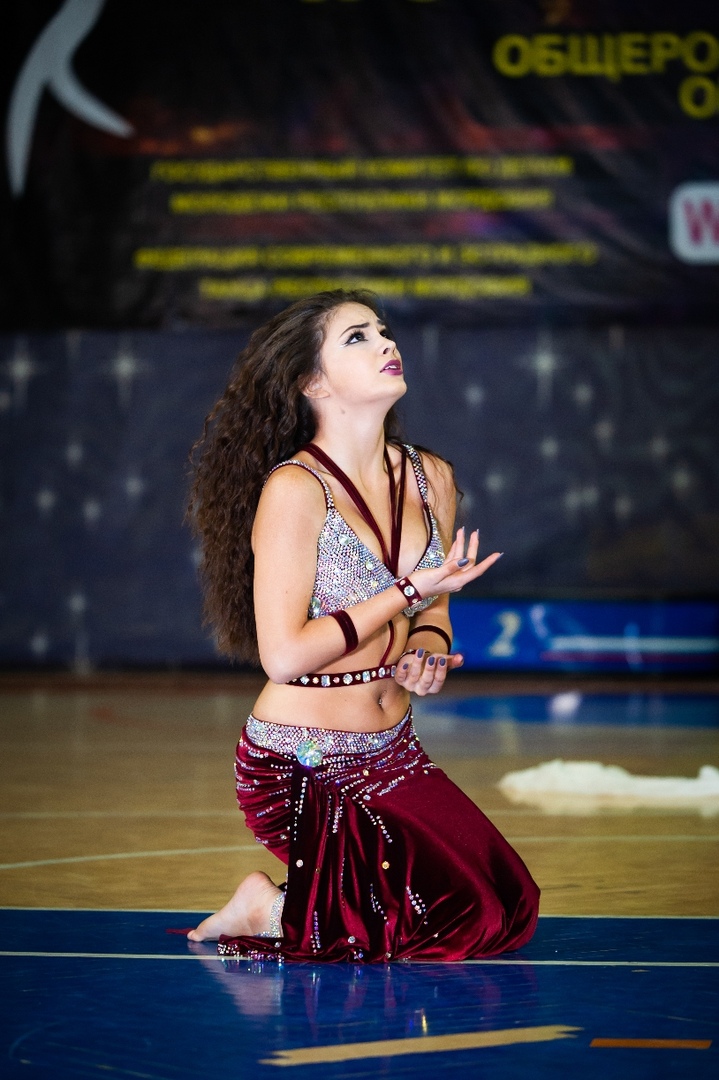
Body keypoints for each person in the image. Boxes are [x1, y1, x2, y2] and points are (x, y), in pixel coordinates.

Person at [187, 289, 539, 962]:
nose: (385, 343)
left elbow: (434, 607)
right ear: (313, 382)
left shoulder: (431, 477)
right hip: (301, 760)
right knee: (458, 922)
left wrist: (428, 647)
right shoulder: (294, 490)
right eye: (357, 337)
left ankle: (292, 905)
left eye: (382, 330)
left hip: (393, 747)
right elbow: (284, 655)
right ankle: (269, 907)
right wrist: (406, 590)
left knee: (507, 902)